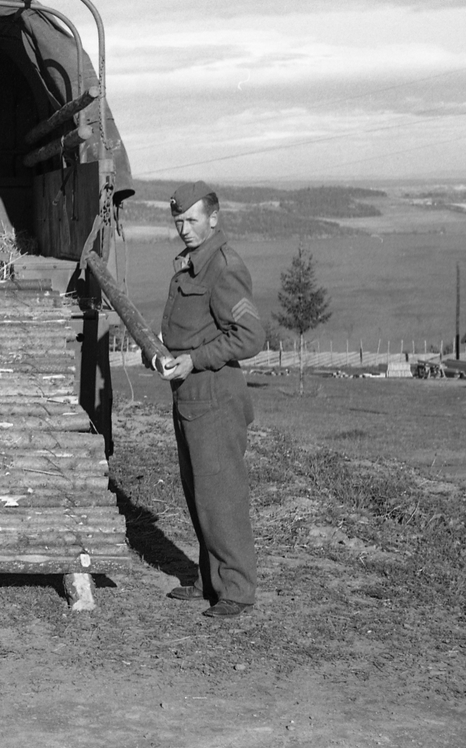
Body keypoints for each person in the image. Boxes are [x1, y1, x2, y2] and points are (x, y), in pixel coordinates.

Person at [152, 181, 264, 618]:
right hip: (190, 395)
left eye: (192, 220)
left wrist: (194, 360)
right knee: (199, 493)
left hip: (215, 396)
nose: (184, 228)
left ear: (214, 218)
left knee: (223, 495)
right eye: (178, 220)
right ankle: (209, 579)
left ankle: (236, 589)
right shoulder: (190, 265)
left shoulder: (223, 266)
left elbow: (251, 336)